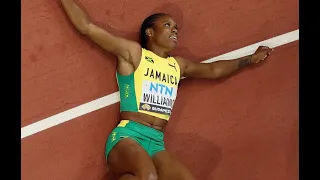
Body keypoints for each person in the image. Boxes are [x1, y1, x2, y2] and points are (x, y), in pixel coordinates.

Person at [60, 0, 274, 179]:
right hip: (127, 137)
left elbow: (213, 70)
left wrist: (249, 59)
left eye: (175, 28)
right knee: (149, 177)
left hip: (156, 143)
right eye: (167, 26)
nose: (174, 30)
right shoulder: (134, 54)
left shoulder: (177, 66)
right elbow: (87, 27)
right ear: (150, 32)